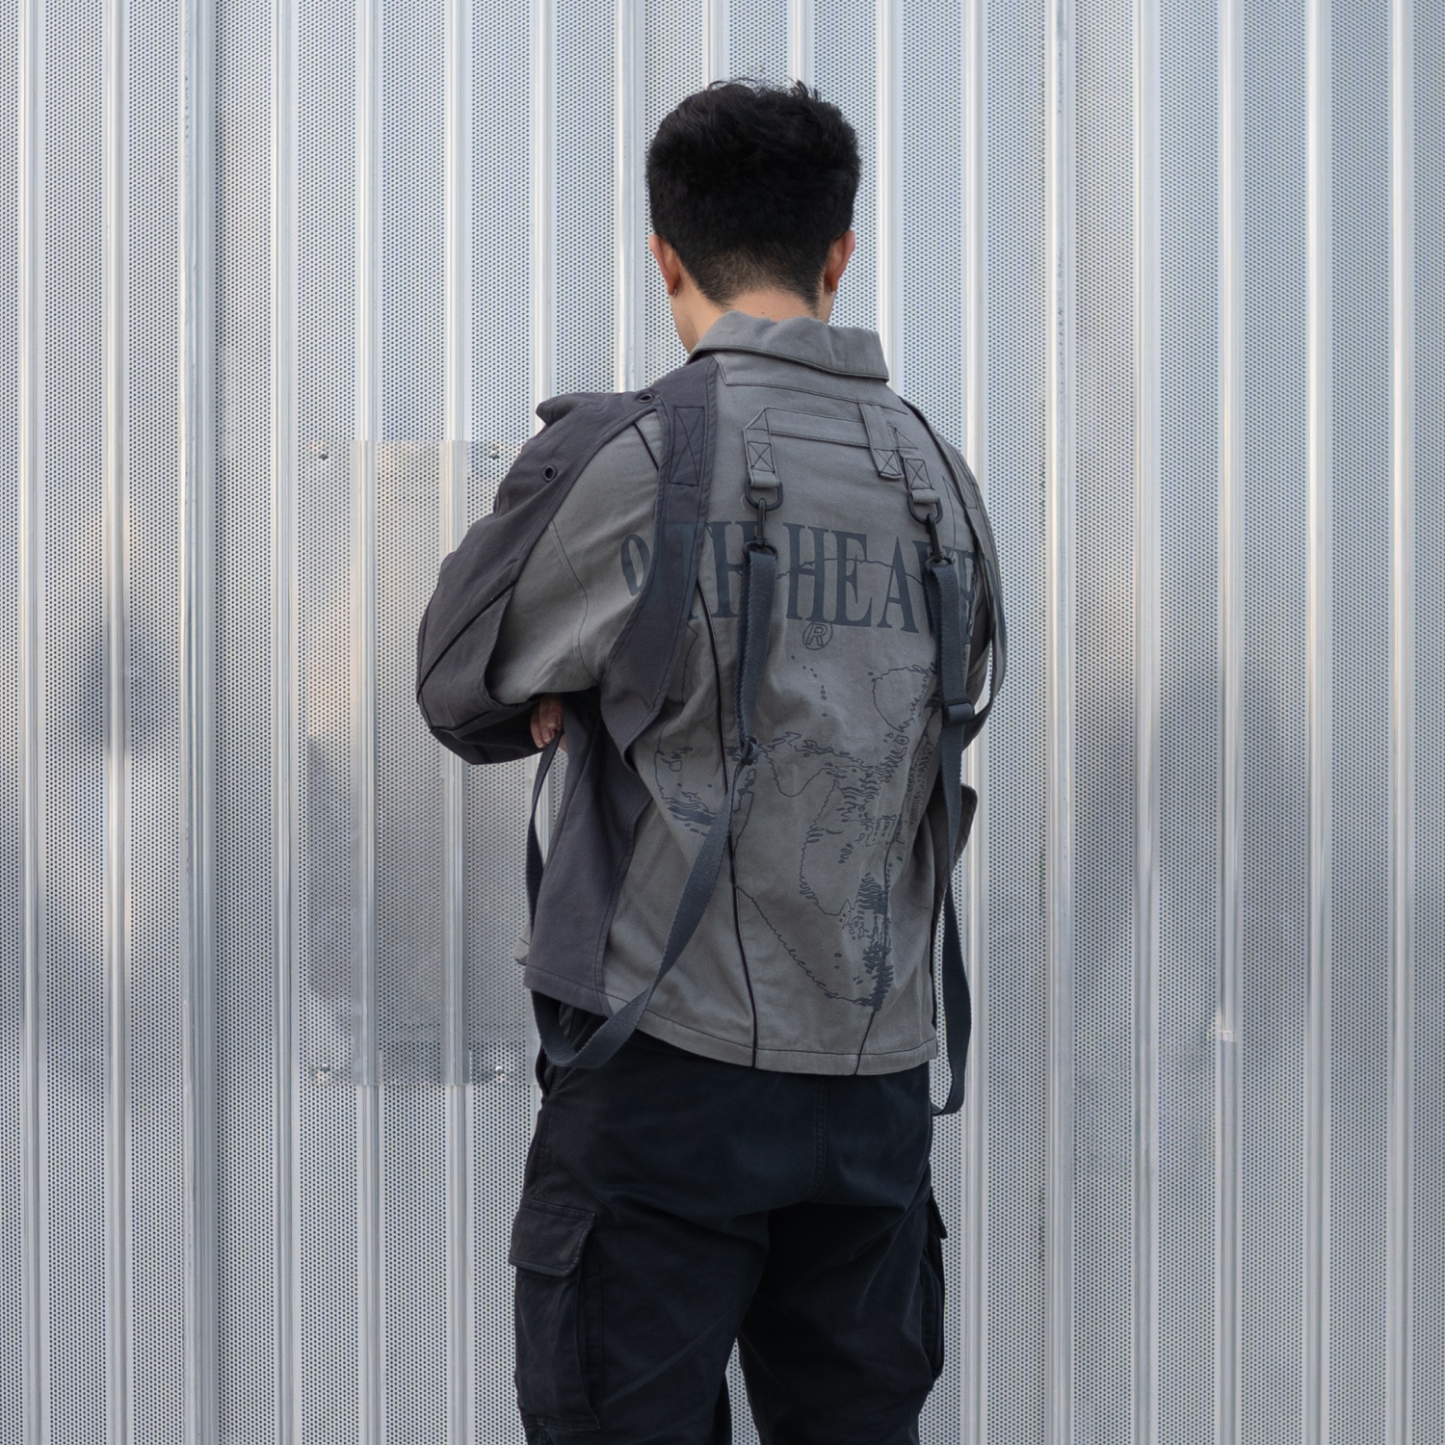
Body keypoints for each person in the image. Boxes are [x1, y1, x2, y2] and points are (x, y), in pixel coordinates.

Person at [417, 79, 1003, 1445]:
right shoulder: (942, 480)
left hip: (666, 1076)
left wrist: (574, 691)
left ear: (664, 256)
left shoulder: (638, 456)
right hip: (872, 1085)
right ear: (839, 252)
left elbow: (456, 677)